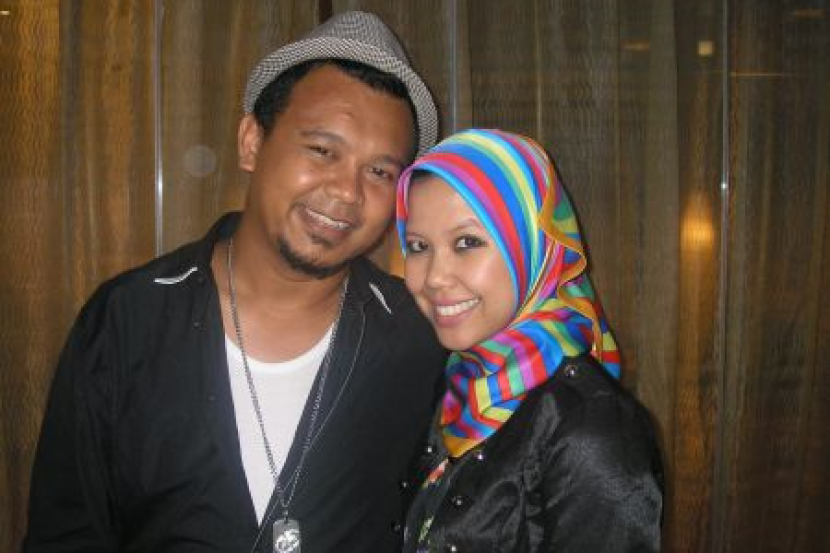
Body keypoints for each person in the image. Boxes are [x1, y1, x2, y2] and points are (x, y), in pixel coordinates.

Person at [24, 11, 447, 553]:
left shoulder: (418, 336)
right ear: (252, 141)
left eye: (380, 172)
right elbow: (66, 533)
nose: (347, 191)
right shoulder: (129, 320)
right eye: (323, 150)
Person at [395, 129, 664, 552]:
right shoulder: (457, 377)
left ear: (533, 248)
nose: (434, 278)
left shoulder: (591, 431)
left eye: (467, 242)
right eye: (417, 246)